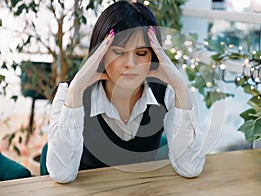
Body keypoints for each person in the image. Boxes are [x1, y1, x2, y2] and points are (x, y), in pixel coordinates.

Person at [47, 0, 206, 183]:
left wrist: (181, 87)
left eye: (141, 53)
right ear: (101, 53)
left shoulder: (165, 92)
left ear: (153, 55)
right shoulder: (70, 91)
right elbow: (61, 174)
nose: (131, 63)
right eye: (119, 51)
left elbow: (190, 168)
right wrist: (76, 91)